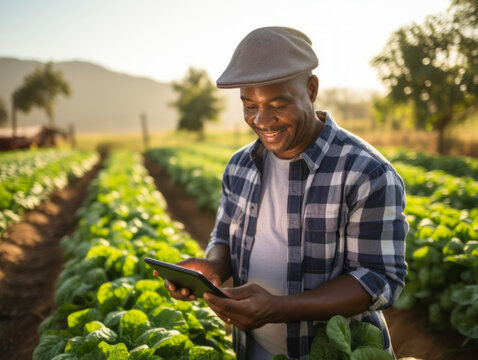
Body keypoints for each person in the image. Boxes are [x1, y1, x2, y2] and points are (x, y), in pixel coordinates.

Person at [157, 26, 408, 360]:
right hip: (254, 349)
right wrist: (213, 269)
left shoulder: (366, 172)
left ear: (312, 89)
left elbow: (378, 278)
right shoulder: (240, 165)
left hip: (334, 352)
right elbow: (225, 240)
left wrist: (279, 308)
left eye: (277, 104)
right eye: (249, 106)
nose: (262, 120)